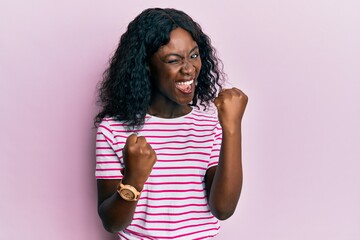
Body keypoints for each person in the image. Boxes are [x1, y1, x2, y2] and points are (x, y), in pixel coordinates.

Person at [94, 8, 248, 239]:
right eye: (174, 60)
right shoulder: (114, 129)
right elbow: (112, 223)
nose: (188, 69)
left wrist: (232, 128)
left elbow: (223, 209)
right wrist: (134, 180)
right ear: (146, 66)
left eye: (194, 56)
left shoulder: (209, 122)